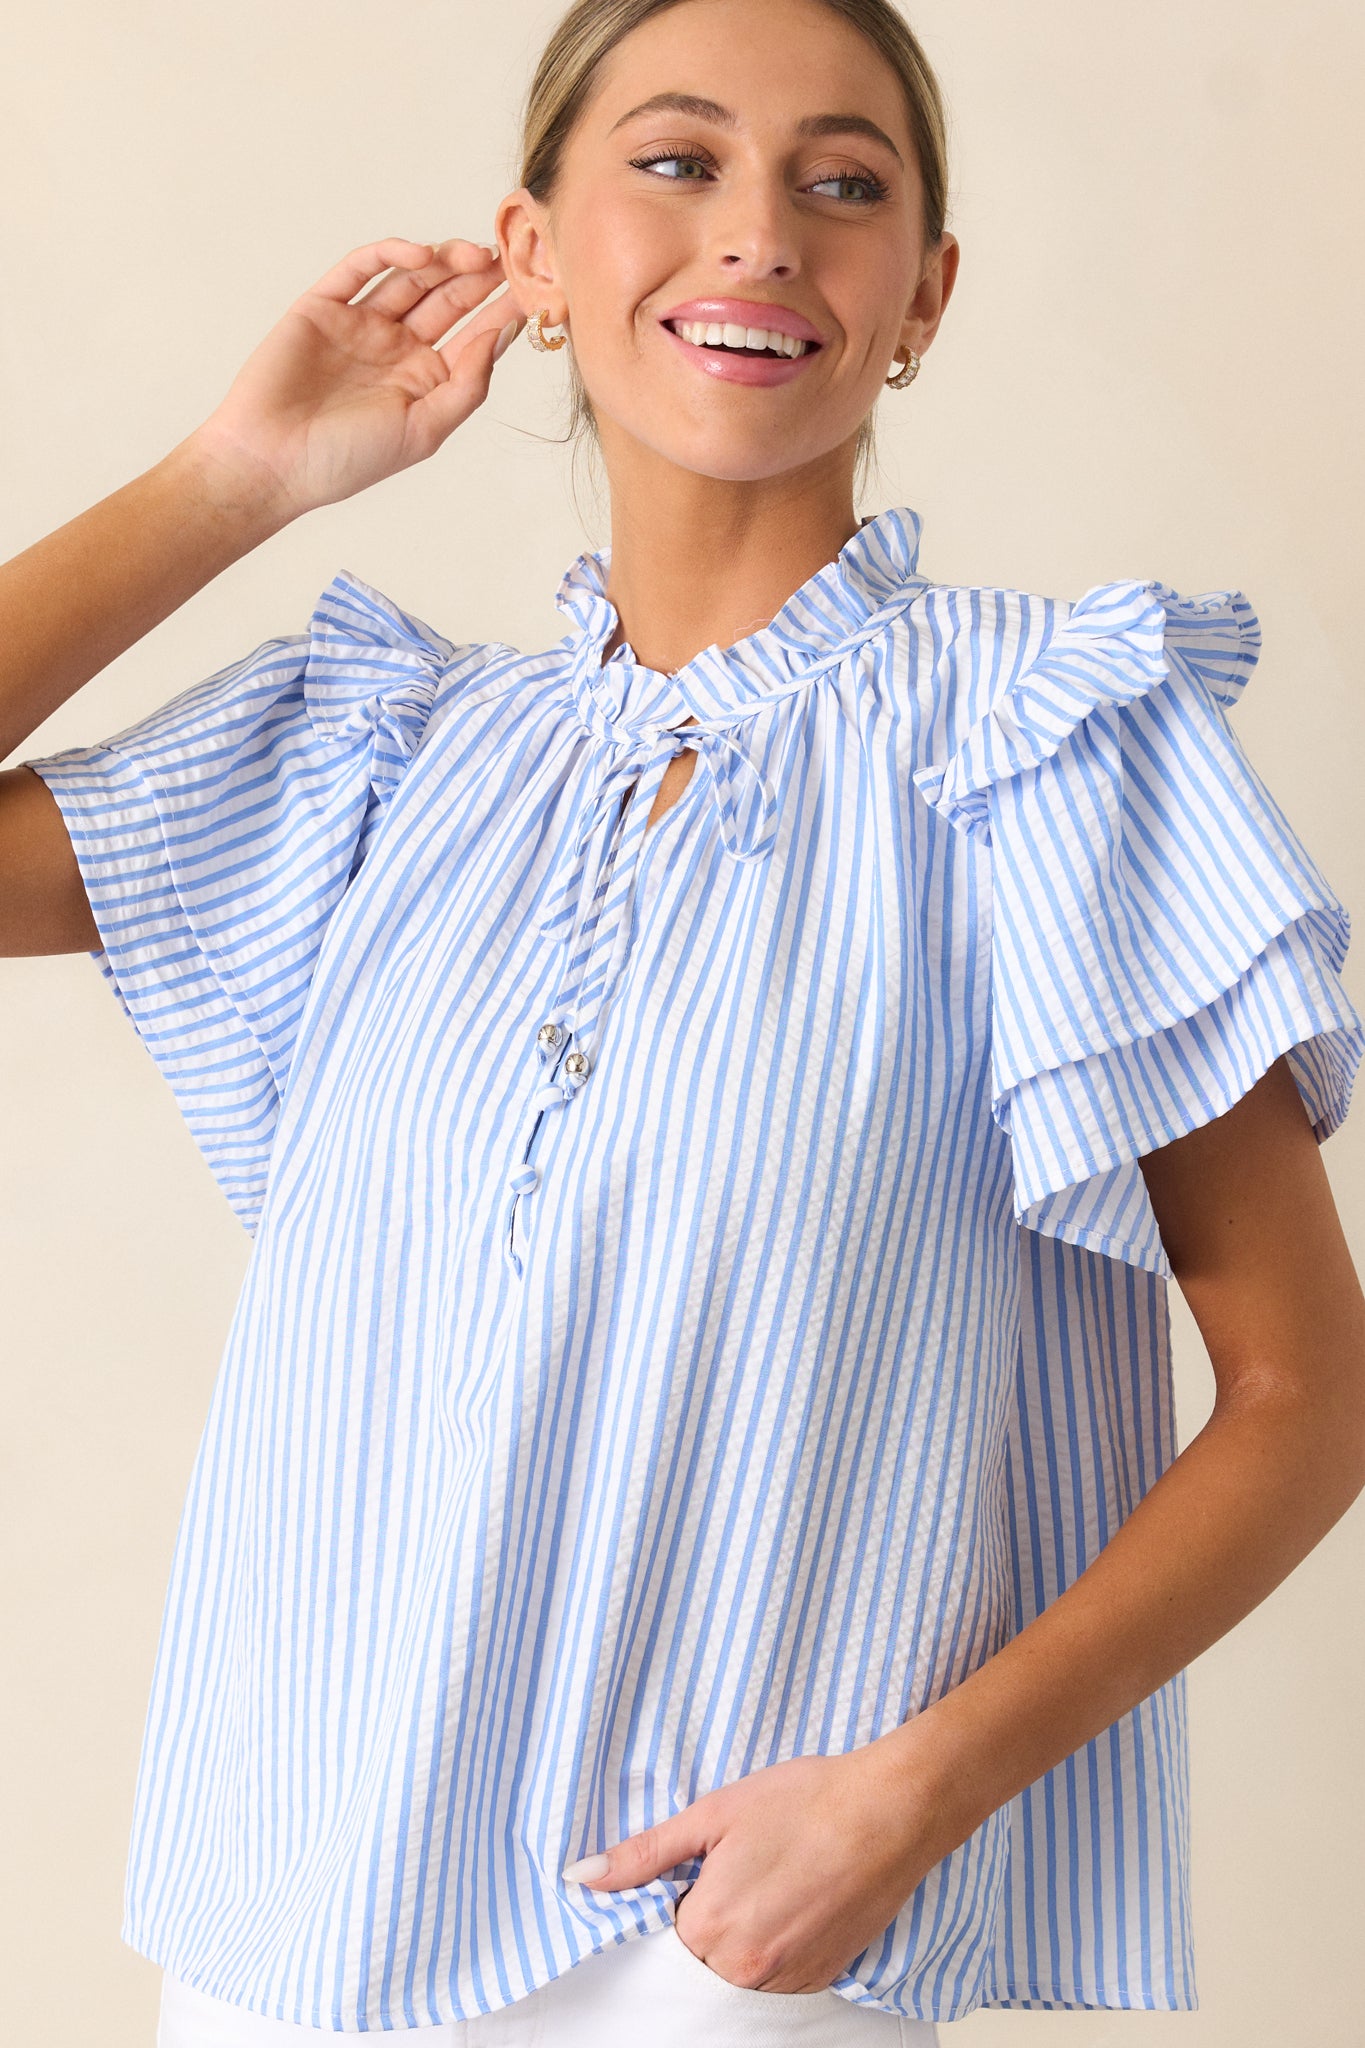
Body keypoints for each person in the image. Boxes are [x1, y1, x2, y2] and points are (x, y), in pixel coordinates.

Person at [2, 0, 1363, 2042]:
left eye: (842, 184)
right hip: (269, 1912)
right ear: (531, 253)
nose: (756, 235)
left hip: (714, 1944)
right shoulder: (379, 763)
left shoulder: (1041, 749)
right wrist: (241, 474)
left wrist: (909, 1796)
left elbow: (1300, 1395)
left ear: (920, 297)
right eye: (672, 161)